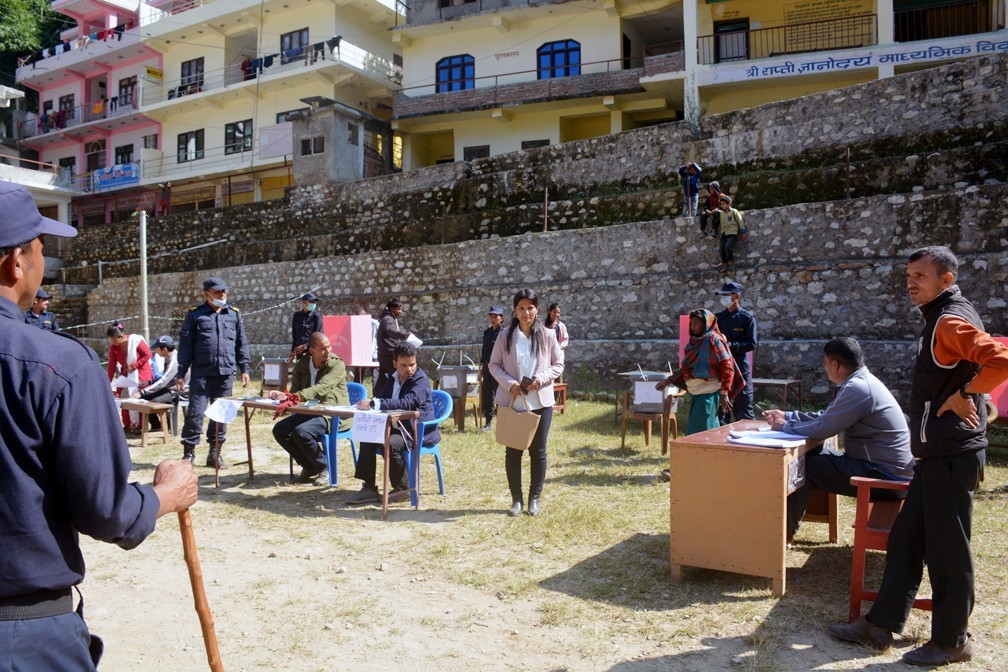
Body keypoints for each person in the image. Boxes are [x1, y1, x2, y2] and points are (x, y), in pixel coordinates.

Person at [0, 179, 197, 670]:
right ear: (16, 262)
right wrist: (164, 495)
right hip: (24, 634)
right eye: (41, 246)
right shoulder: (56, 364)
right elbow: (107, 511)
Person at [829, 246, 1008, 666]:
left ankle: (951, 641)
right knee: (907, 539)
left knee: (947, 550)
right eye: (909, 275)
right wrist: (981, 405)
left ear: (945, 280)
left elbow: (1001, 359)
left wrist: (968, 396)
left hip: (950, 455)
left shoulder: (948, 319)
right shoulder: (946, 315)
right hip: (936, 455)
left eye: (921, 276)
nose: (911, 282)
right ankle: (879, 626)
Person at [763, 337, 914, 542]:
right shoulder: (863, 382)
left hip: (885, 479)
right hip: (883, 470)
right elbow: (828, 417)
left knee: (804, 467)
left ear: (835, 364)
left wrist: (785, 427)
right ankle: (786, 531)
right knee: (811, 457)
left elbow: (823, 428)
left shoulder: (857, 388)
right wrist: (788, 416)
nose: (825, 369)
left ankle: (783, 537)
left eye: (825, 363)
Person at [489, 289, 564, 517]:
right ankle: (516, 500)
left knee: (538, 451)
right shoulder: (505, 336)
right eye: (521, 308)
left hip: (540, 401)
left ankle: (534, 499)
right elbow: (493, 365)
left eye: (530, 308)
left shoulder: (548, 335)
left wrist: (540, 380)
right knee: (513, 452)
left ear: (537, 310)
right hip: (513, 402)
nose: (525, 313)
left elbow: (558, 365)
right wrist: (510, 383)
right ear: (514, 310)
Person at [346, 341, 438, 505]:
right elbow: (384, 398)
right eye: (403, 365)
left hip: (415, 430)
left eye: (412, 364)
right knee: (368, 436)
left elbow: (407, 402)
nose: (409, 369)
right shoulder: (392, 378)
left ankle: (402, 488)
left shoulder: (421, 381)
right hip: (395, 427)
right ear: (395, 364)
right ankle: (369, 488)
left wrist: (374, 403)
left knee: (390, 443)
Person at [176, 276, 251, 467]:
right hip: (201, 373)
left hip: (225, 374)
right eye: (217, 292)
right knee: (195, 413)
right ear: (207, 294)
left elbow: (241, 343)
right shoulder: (195, 315)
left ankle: (215, 453)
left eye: (224, 291)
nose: (222, 294)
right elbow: (186, 346)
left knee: (221, 415)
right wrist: (181, 372)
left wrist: (245, 368)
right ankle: (189, 454)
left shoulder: (233, 314)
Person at [269, 332, 350, 484]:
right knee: (280, 430)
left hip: (333, 414)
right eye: (323, 349)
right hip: (309, 412)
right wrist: (281, 395)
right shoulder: (302, 364)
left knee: (302, 432)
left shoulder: (337, 364)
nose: (328, 351)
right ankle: (309, 466)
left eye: (329, 347)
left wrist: (295, 397)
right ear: (312, 350)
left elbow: (321, 388)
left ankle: (325, 466)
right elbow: (295, 392)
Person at [658, 309, 742, 436]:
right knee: (707, 430)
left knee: (700, 432)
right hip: (697, 392)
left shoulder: (713, 339)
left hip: (708, 393)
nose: (692, 326)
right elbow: (687, 368)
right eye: (691, 323)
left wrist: (724, 393)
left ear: (706, 324)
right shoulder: (696, 341)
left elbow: (727, 366)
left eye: (696, 323)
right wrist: (667, 381)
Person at [714, 281, 757, 422]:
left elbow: (751, 344)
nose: (723, 298)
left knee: (744, 412)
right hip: (722, 370)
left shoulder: (747, 318)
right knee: (720, 415)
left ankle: (748, 443)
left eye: (726, 295)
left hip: (739, 369)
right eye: (722, 295)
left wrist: (731, 345)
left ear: (736, 296)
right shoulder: (718, 318)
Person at [106, 322, 153, 434]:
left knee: (139, 399)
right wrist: (107, 382)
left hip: (141, 374)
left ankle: (140, 425)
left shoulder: (136, 341)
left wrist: (135, 365)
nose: (113, 343)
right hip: (126, 375)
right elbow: (111, 366)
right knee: (124, 398)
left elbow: (148, 354)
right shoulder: (114, 348)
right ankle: (128, 424)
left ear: (121, 337)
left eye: (114, 340)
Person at [132, 335, 183, 431]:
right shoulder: (168, 358)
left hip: (176, 391)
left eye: (157, 349)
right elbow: (165, 378)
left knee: (152, 400)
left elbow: (163, 382)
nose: (155, 351)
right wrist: (149, 382)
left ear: (164, 350)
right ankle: (156, 425)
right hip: (168, 388)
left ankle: (167, 426)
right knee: (144, 399)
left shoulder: (175, 361)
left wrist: (142, 392)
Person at [479, 305, 505, 432]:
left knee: (500, 395)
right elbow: (484, 351)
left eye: (496, 316)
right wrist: (482, 367)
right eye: (491, 316)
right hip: (487, 367)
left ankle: (503, 422)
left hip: (499, 368)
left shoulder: (504, 334)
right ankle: (488, 422)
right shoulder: (487, 333)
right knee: (487, 394)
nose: (493, 319)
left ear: (502, 318)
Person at [376, 299, 411, 376]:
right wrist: (405, 335)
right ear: (392, 309)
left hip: (384, 353)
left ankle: (380, 388)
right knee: (394, 376)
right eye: (398, 309)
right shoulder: (388, 319)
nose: (400, 312)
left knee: (383, 379)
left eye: (401, 310)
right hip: (389, 353)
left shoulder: (387, 318)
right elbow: (391, 331)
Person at [289, 291, 323, 362]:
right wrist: (293, 351)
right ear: (304, 302)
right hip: (299, 354)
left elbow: (319, 337)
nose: (313, 304)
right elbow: (295, 336)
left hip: (312, 353)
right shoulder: (297, 317)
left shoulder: (316, 317)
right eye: (311, 302)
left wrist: (305, 346)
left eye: (314, 302)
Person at [717, 195, 746, 273]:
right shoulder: (722, 214)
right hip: (724, 233)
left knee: (727, 247)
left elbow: (740, 221)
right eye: (721, 204)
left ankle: (731, 264)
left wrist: (742, 232)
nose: (722, 205)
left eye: (724, 204)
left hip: (732, 233)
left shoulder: (734, 212)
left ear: (729, 204)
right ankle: (725, 265)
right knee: (721, 249)